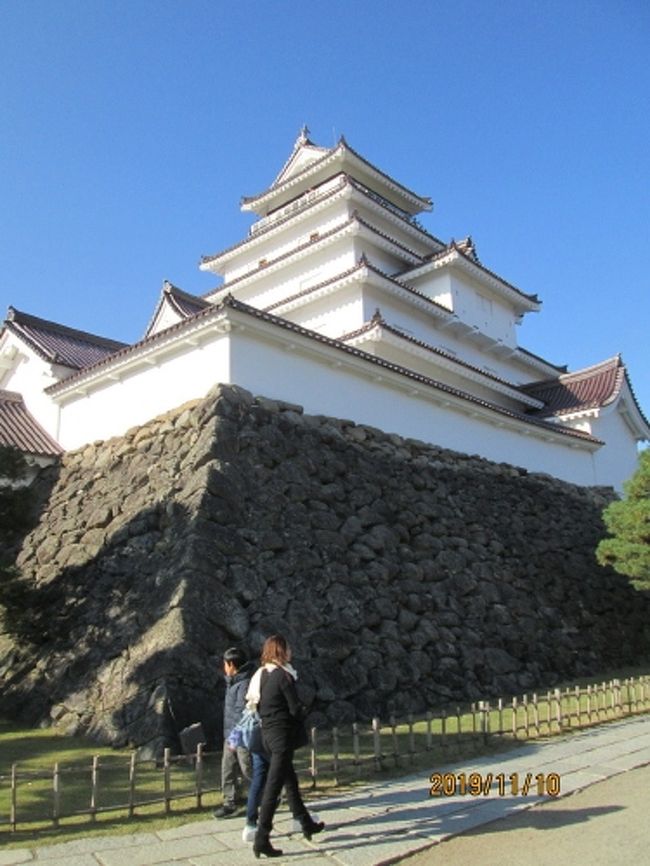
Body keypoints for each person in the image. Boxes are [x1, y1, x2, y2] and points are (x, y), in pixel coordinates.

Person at [250, 634, 324, 859]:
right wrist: (306, 711)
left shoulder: (261, 675)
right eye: (288, 648)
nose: (291, 652)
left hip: (267, 736)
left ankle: (305, 822)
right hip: (281, 737)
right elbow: (294, 708)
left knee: (290, 781)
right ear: (281, 651)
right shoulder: (283, 677)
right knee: (273, 788)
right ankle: (261, 838)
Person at [213, 646, 254, 818]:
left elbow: (240, 714)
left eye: (225, 664)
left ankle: (259, 798)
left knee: (247, 769)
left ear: (231, 665)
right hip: (230, 734)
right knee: (227, 768)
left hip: (241, 736)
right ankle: (230, 802)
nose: (223, 667)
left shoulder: (243, 685)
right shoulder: (232, 683)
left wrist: (234, 738)